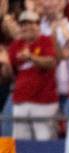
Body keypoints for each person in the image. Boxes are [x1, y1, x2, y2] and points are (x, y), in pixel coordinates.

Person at [0, 11, 58, 140]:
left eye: (31, 24)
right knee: (20, 145)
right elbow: (10, 76)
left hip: (43, 103)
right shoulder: (16, 45)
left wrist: (30, 57)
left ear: (38, 25)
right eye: (24, 24)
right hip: (20, 102)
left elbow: (51, 63)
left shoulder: (46, 41)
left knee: (45, 142)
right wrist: (5, 64)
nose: (27, 27)